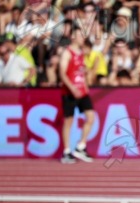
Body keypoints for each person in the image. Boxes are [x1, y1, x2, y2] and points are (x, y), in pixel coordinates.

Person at [59, 26, 95, 164]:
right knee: (68, 121)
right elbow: (62, 73)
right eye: (80, 35)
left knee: (90, 117)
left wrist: (85, 85)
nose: (82, 38)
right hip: (69, 91)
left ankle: (81, 146)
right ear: (73, 37)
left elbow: (81, 71)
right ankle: (66, 151)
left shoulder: (81, 53)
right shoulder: (67, 53)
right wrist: (72, 88)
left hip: (82, 90)